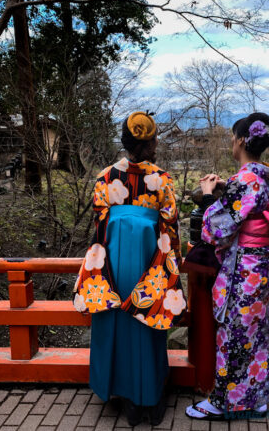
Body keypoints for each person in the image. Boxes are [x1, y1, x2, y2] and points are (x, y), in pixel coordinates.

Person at [73, 111, 186, 426]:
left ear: (124, 141)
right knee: (147, 324)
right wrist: (173, 262)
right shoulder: (162, 180)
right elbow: (171, 227)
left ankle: (120, 396)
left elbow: (99, 224)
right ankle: (148, 397)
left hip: (112, 264)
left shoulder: (106, 178)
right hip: (151, 262)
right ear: (151, 142)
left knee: (114, 326)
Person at [185, 113, 269, 420]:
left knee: (234, 334)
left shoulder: (242, 181)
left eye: (232, 138)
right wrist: (227, 187)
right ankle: (258, 398)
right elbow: (248, 204)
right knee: (258, 334)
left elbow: (216, 229)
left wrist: (209, 196)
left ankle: (223, 403)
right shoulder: (265, 176)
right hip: (265, 266)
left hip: (244, 270)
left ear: (240, 141)